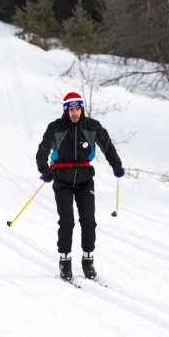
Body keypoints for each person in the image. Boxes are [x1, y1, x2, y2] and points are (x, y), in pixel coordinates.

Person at [36, 92, 125, 281]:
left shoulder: (92, 126)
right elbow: (42, 150)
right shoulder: (56, 127)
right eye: (71, 109)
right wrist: (44, 169)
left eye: (78, 109)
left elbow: (107, 145)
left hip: (85, 180)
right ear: (65, 110)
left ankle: (88, 260)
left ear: (81, 109)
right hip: (62, 180)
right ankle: (65, 261)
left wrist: (116, 164)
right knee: (67, 220)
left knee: (88, 220)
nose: (75, 113)